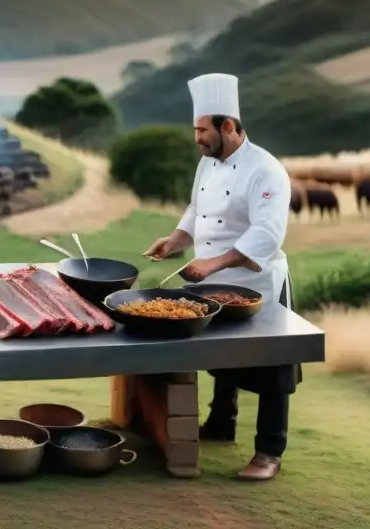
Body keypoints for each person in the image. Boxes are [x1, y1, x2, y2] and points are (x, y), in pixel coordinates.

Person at [142, 72, 301, 482]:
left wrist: (212, 264)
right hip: (212, 280)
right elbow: (196, 210)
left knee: (271, 369)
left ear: (228, 126)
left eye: (202, 130)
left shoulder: (266, 170)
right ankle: (220, 424)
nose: (197, 138)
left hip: (256, 283)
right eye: (195, 130)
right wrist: (175, 239)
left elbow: (266, 234)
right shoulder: (207, 163)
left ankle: (269, 452)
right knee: (216, 354)